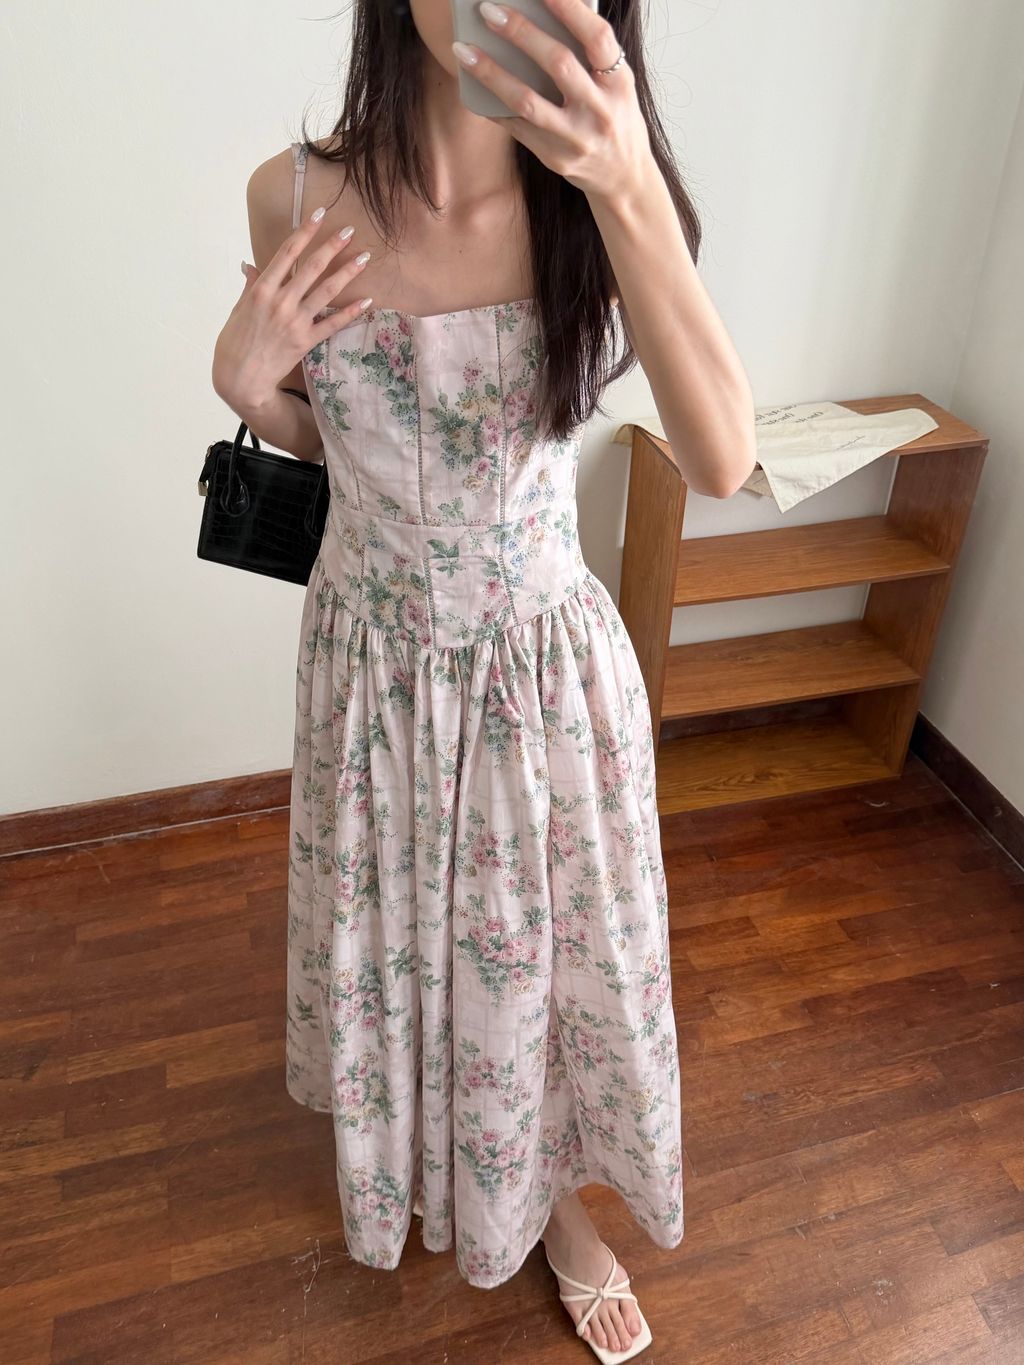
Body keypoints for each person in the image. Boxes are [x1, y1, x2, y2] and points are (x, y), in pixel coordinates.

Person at [212, 2, 755, 1358]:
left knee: (538, 970)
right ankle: (418, 1159)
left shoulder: (591, 205)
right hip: (371, 676)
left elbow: (722, 454)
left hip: (535, 679)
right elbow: (334, 433)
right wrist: (246, 385)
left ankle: (552, 1208)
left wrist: (625, 180)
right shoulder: (293, 198)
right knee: (397, 947)